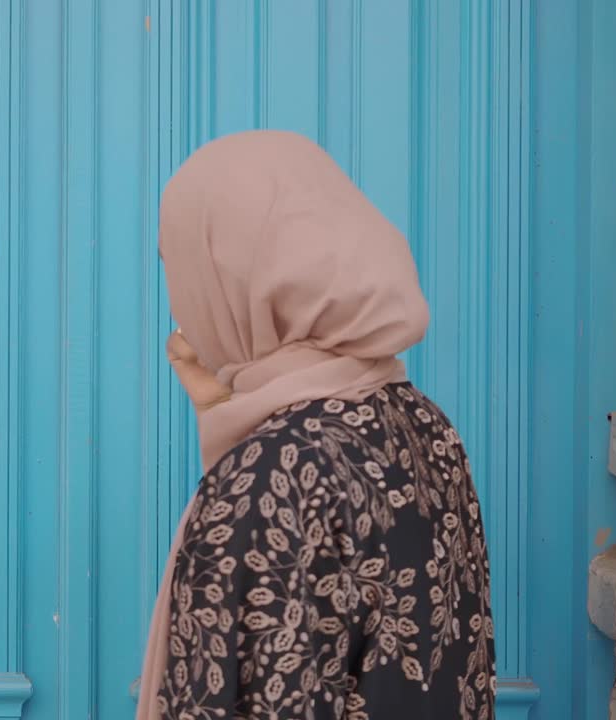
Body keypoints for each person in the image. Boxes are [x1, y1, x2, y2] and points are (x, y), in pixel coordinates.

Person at [137, 131, 495, 720]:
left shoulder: (265, 480)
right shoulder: (424, 425)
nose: (183, 303)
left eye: (182, 268)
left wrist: (244, 461)